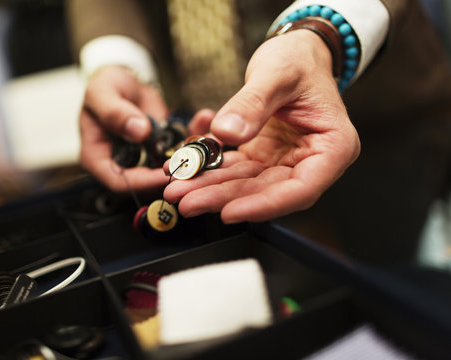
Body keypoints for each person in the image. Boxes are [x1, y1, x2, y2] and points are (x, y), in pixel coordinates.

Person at [66, 0, 451, 266]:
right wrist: (113, 58)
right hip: (191, 121)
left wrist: (318, 34)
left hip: (373, 113)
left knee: (377, 282)